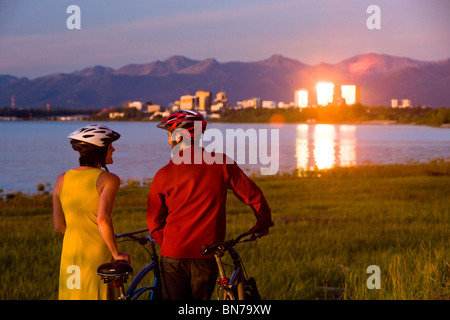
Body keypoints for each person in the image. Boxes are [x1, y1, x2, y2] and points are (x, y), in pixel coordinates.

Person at [146, 110, 273, 300]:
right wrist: (263, 221)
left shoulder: (163, 174)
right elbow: (253, 195)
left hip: (173, 254)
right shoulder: (221, 162)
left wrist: (169, 243)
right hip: (207, 253)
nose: (168, 140)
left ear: (179, 137)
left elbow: (154, 220)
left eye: (168, 135)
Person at [53, 124, 130, 300]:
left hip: (70, 254)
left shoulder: (61, 179)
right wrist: (116, 253)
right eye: (110, 146)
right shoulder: (109, 179)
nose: (114, 149)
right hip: (96, 254)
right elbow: (103, 219)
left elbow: (58, 226)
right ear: (100, 150)